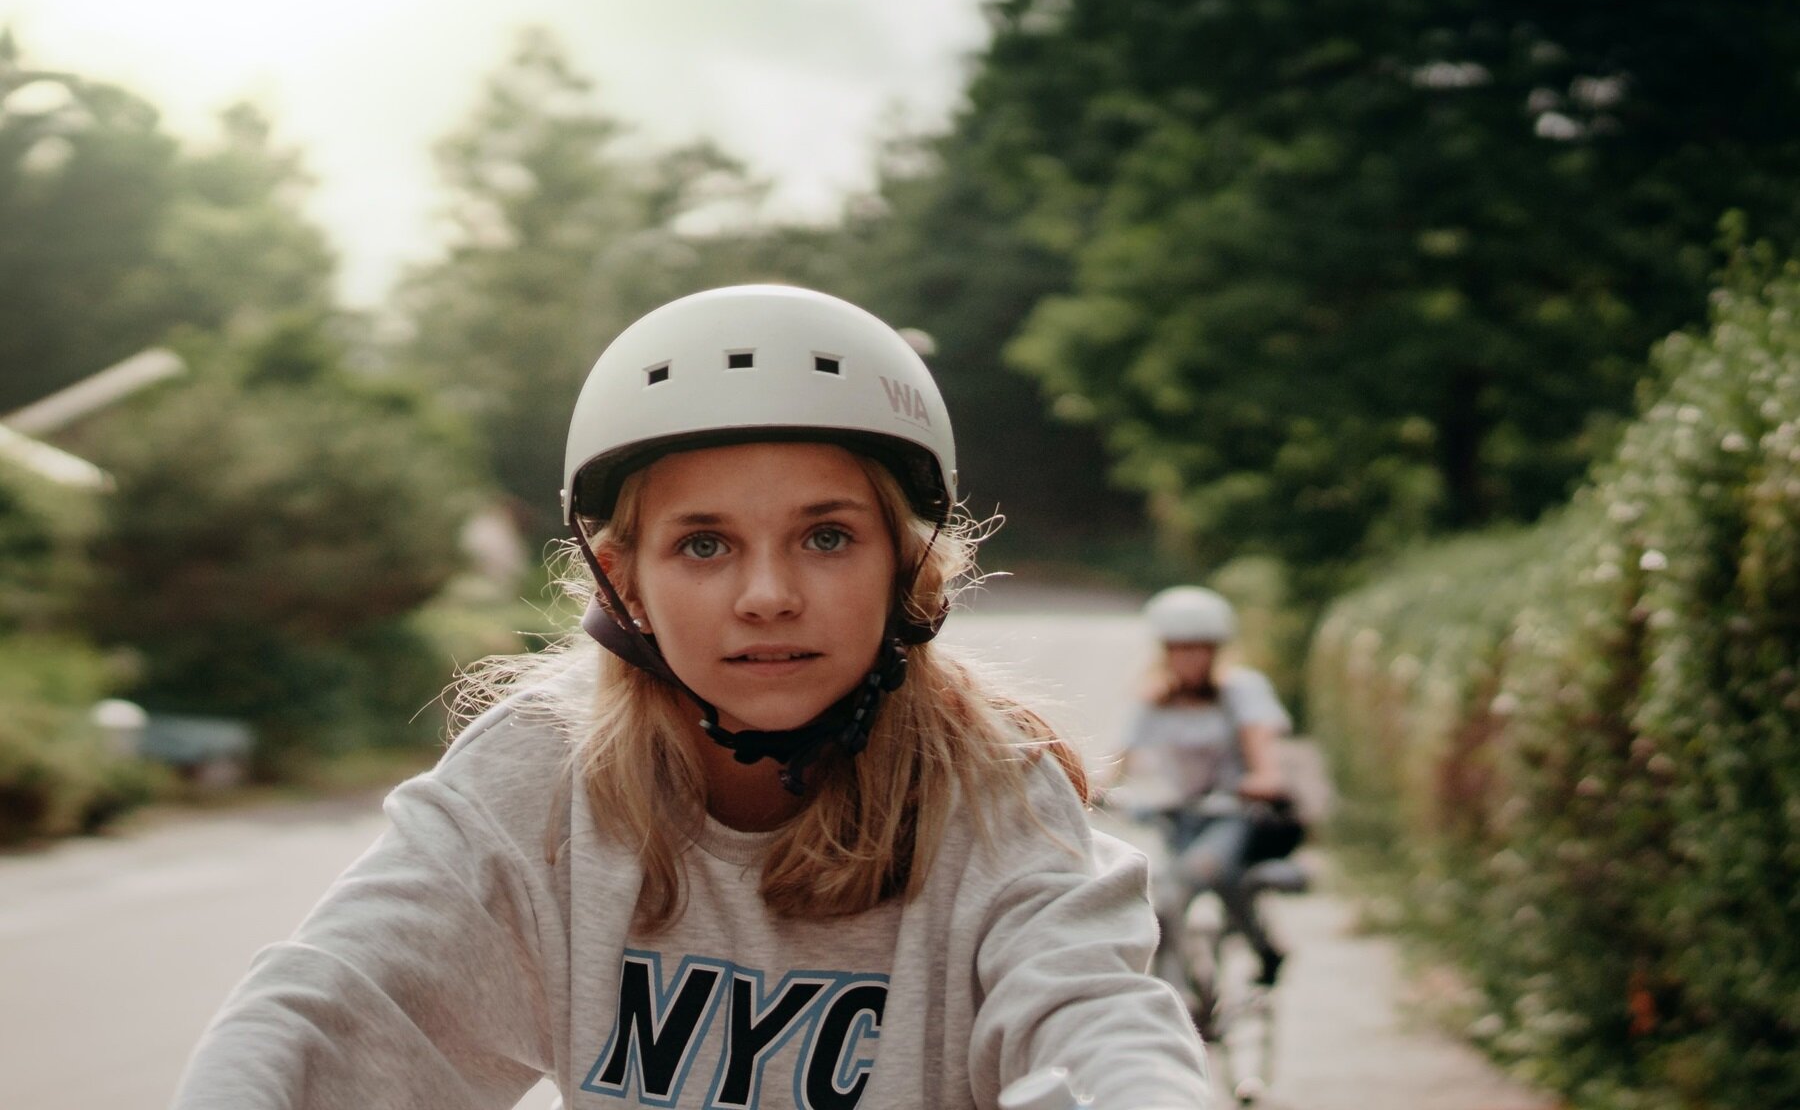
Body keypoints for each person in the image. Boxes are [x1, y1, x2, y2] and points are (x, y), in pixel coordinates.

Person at [170, 286, 1210, 1109]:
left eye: (827, 535)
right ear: (625, 580)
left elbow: (1093, 1024)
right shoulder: (542, 773)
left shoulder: (996, 796)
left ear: (907, 565)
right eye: (704, 544)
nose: (768, 596)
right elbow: (332, 1009)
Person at [1116, 586, 1296, 994]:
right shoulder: (1154, 700)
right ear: (1164, 651)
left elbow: (1260, 743)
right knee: (1161, 891)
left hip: (1233, 813)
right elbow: (1121, 759)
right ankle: (1173, 987)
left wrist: (1264, 778)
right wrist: (1094, 788)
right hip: (1180, 815)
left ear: (1216, 651)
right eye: (1179, 649)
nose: (1190, 659)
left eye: (1200, 649)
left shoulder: (1241, 691)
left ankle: (1264, 946)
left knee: (1204, 873)